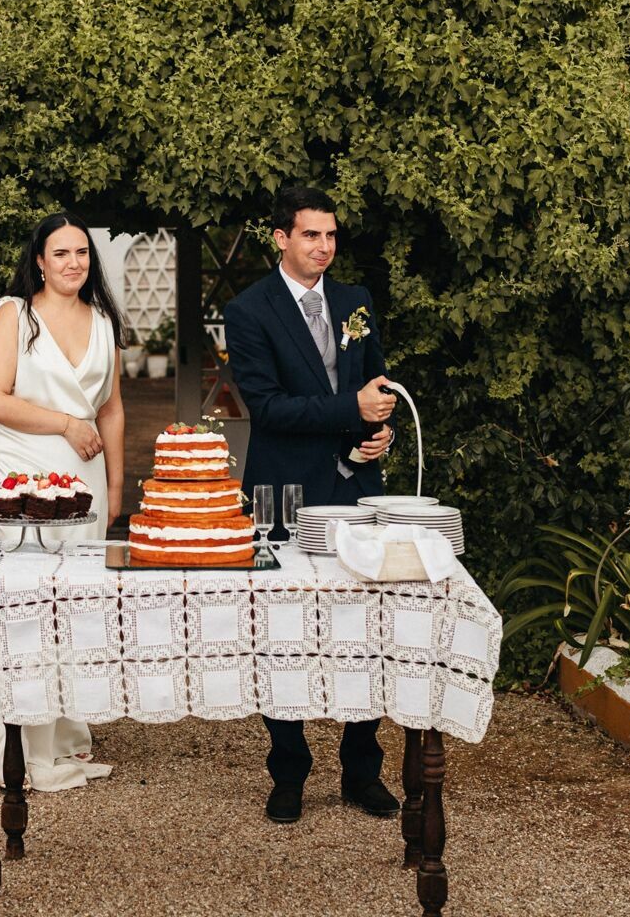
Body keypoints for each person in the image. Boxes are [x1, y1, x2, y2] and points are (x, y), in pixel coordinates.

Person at [222, 185, 399, 824]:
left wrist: (380, 430)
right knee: (282, 629)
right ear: (281, 238)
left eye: (330, 236)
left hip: (356, 484)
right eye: (309, 235)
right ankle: (289, 770)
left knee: (363, 625)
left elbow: (375, 381)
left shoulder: (356, 302)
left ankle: (361, 769)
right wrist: (349, 410)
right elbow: (266, 409)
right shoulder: (247, 311)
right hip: (278, 487)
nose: (323, 247)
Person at [0, 210, 127, 789]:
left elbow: (110, 408)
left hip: (84, 483)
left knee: (74, 612)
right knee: (27, 612)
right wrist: (64, 423)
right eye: (61, 253)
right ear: (39, 260)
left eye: (82, 253)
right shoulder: (15, 314)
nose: (73, 263)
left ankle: (64, 737)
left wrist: (114, 486)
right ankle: (25, 752)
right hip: (24, 479)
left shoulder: (104, 320)